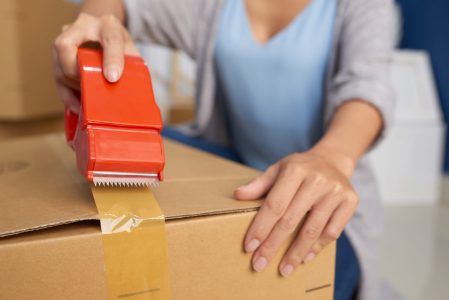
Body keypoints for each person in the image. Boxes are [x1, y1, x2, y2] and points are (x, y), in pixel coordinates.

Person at [52, 0, 400, 299]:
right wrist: (98, 25)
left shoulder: (362, 6)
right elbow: (122, 4)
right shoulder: (216, 6)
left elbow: (367, 87)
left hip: (329, 194)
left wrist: (332, 156)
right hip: (236, 172)